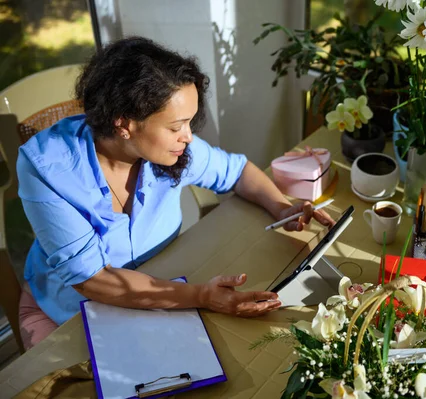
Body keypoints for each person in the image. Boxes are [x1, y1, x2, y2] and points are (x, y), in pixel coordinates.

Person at [17, 36, 335, 350]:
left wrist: (281, 207)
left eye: (189, 122)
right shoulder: (46, 169)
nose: (188, 137)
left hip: (158, 291)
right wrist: (201, 296)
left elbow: (237, 172)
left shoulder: (172, 149)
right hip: (65, 313)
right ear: (123, 123)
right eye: (176, 126)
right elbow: (94, 280)